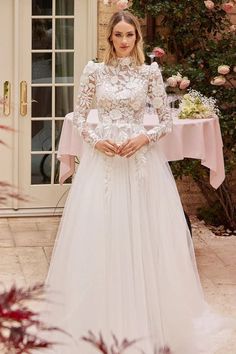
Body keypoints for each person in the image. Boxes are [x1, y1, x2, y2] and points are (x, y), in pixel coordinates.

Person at [41, 10, 234, 354]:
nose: (125, 41)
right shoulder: (93, 72)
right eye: (119, 35)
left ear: (137, 39)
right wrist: (95, 140)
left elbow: (164, 122)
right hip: (103, 163)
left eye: (130, 35)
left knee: (144, 235)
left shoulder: (149, 73)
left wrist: (143, 140)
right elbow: (80, 118)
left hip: (139, 163)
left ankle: (147, 318)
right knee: (100, 234)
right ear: (110, 39)